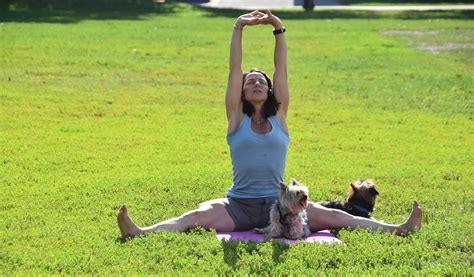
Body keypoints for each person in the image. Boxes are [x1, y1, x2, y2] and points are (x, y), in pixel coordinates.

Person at [117, 10, 422, 239]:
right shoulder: (236, 118)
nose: (255, 83)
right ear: (243, 92)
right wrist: (239, 26)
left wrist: (278, 28)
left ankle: (398, 228)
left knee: (335, 216)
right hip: (239, 206)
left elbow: (282, 70)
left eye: (261, 81)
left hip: (283, 204)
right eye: (250, 82)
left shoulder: (279, 118)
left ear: (269, 89)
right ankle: (140, 232)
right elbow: (234, 68)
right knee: (196, 216)